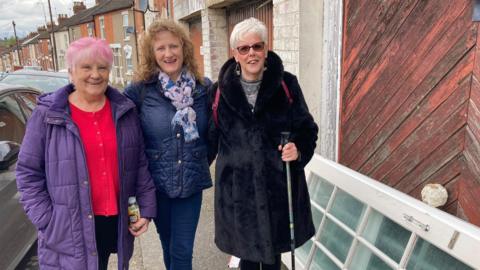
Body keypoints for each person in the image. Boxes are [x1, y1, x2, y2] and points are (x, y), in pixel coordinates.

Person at [16, 37, 157, 270]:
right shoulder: (47, 116)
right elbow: (28, 172)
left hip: (116, 220)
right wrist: (48, 220)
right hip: (69, 226)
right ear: (71, 71)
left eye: (102, 67)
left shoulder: (124, 111)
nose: (96, 74)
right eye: (87, 67)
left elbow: (139, 163)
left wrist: (147, 209)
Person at [208, 17, 319, 270]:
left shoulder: (286, 84)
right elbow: (208, 143)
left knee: (272, 261)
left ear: (266, 49)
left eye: (257, 46)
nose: (251, 54)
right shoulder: (217, 92)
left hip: (278, 192)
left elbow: (307, 130)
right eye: (244, 49)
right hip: (237, 195)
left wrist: (298, 149)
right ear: (235, 54)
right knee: (246, 260)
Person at [124, 19, 212, 270]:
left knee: (182, 252)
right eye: (161, 48)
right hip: (156, 187)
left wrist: (199, 159)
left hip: (190, 185)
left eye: (174, 46)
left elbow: (214, 135)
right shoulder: (140, 91)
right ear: (152, 54)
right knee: (168, 246)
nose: (168, 53)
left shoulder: (203, 89)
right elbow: (119, 125)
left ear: (184, 48)